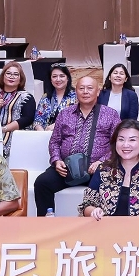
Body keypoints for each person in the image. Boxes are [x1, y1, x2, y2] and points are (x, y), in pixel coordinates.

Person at [36, 73, 120, 216]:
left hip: (97, 169)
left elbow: (117, 144)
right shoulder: (65, 114)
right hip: (67, 168)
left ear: (98, 91)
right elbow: (55, 141)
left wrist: (103, 161)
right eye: (81, 88)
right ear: (76, 91)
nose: (85, 92)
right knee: (42, 183)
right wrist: (56, 160)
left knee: (112, 184)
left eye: (89, 88)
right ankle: (47, 224)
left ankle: (103, 224)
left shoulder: (110, 114)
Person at [80, 120, 139, 219]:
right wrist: (94, 211)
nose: (125, 145)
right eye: (121, 139)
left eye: (132, 140)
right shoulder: (104, 169)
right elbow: (86, 205)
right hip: (108, 226)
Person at [0, 61, 36, 159]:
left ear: (20, 79)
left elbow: (28, 119)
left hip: (16, 134)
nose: (11, 77)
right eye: (8, 73)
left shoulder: (26, 97)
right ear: (3, 76)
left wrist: (4, 129)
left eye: (16, 74)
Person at [34, 63, 74, 130]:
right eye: (54, 76)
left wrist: (56, 125)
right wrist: (39, 128)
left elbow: (76, 119)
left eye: (62, 76)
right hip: (46, 133)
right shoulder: (46, 97)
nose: (58, 79)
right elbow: (38, 118)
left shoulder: (75, 97)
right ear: (51, 79)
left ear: (68, 78)